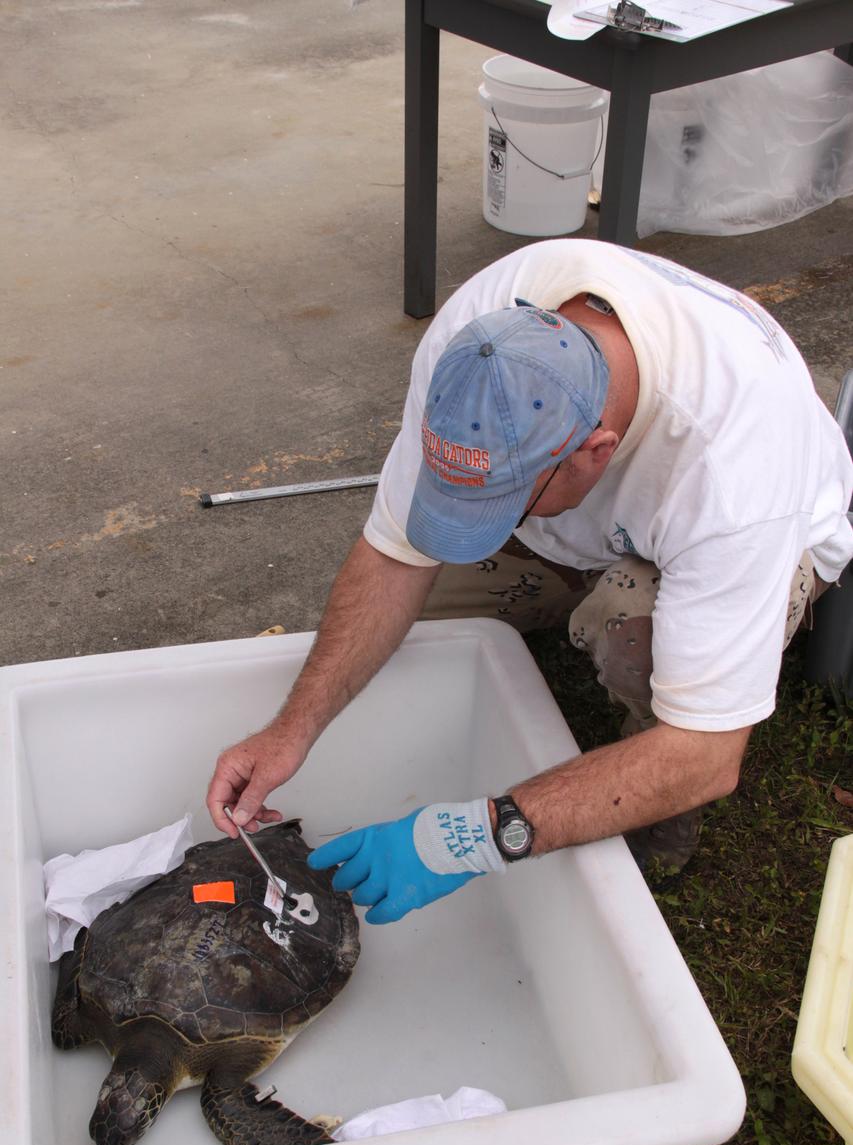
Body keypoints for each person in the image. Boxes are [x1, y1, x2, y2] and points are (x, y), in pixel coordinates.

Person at [206, 239, 853, 923]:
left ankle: (654, 834)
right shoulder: (478, 342)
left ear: (594, 452)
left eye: (501, 499)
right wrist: (290, 732)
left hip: (744, 545)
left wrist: (472, 837)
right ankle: (556, 572)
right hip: (583, 522)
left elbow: (705, 753)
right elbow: (395, 557)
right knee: (411, 640)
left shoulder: (733, 469)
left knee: (636, 639)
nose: (471, 523)